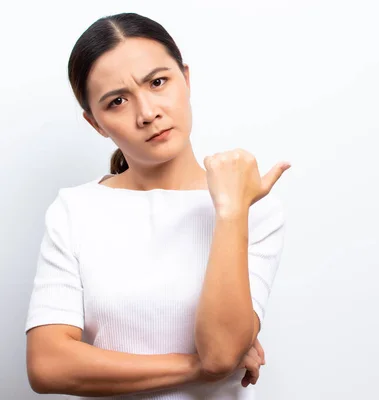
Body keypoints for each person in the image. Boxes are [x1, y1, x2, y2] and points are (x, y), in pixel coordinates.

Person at [24, 12, 290, 399]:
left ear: (186, 78)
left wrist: (231, 211)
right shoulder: (75, 210)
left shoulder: (253, 205)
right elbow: (48, 366)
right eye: (117, 101)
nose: (147, 113)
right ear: (95, 123)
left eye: (158, 82)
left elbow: (220, 351)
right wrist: (195, 366)